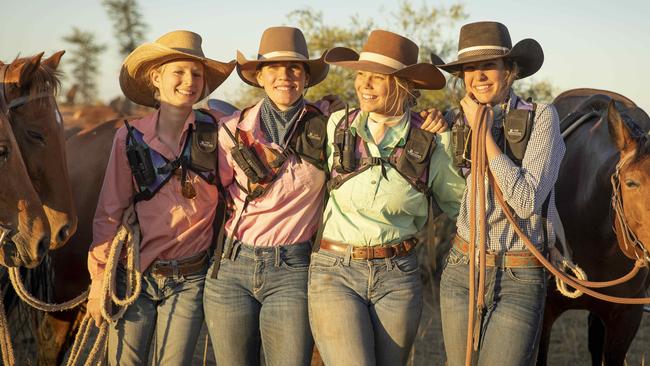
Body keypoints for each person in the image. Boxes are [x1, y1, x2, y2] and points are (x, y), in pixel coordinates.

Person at [307, 29, 466, 366]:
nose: (364, 84)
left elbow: (460, 206)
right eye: (361, 75)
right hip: (335, 270)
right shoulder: (338, 125)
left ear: (404, 87)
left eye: (377, 78)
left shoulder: (431, 140)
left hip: (399, 275)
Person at [86, 30, 235, 365]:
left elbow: (259, 136)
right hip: (135, 273)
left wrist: (323, 109)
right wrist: (99, 281)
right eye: (178, 72)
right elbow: (110, 212)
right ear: (156, 78)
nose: (189, 81)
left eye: (196, 74)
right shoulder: (129, 137)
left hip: (190, 278)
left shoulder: (218, 130)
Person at [433, 21, 566, 366]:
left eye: (488, 65)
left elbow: (524, 202)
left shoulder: (542, 118)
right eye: (469, 69)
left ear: (511, 70)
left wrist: (485, 135)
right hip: (464, 265)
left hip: (519, 273)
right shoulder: (454, 120)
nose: (478, 76)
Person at [202, 26, 332, 366]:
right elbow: (211, 198)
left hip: (291, 269)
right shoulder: (231, 130)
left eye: (294, 68)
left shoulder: (331, 128)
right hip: (231, 266)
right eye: (273, 68)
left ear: (306, 78)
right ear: (260, 77)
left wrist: (433, 120)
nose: (284, 76)